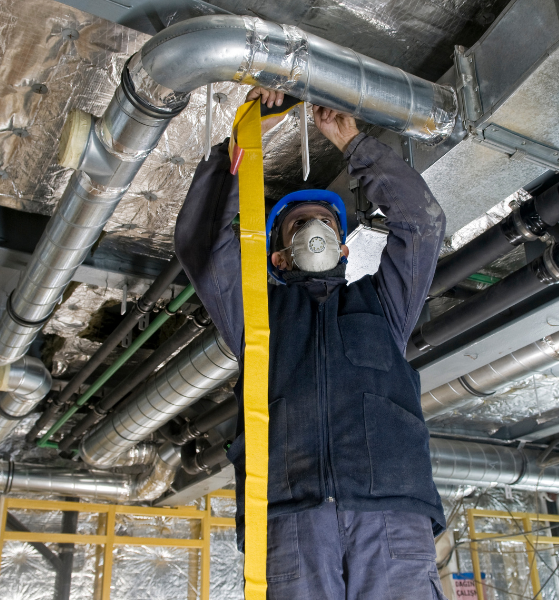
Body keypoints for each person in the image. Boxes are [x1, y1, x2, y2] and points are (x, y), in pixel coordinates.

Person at [174, 86, 448, 600]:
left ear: (344, 247)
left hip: (389, 514)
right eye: (299, 227)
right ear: (279, 256)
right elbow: (202, 242)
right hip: (288, 517)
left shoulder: (383, 306)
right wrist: (249, 135)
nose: (315, 230)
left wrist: (353, 144)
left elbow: (422, 224)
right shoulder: (258, 316)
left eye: (325, 223)